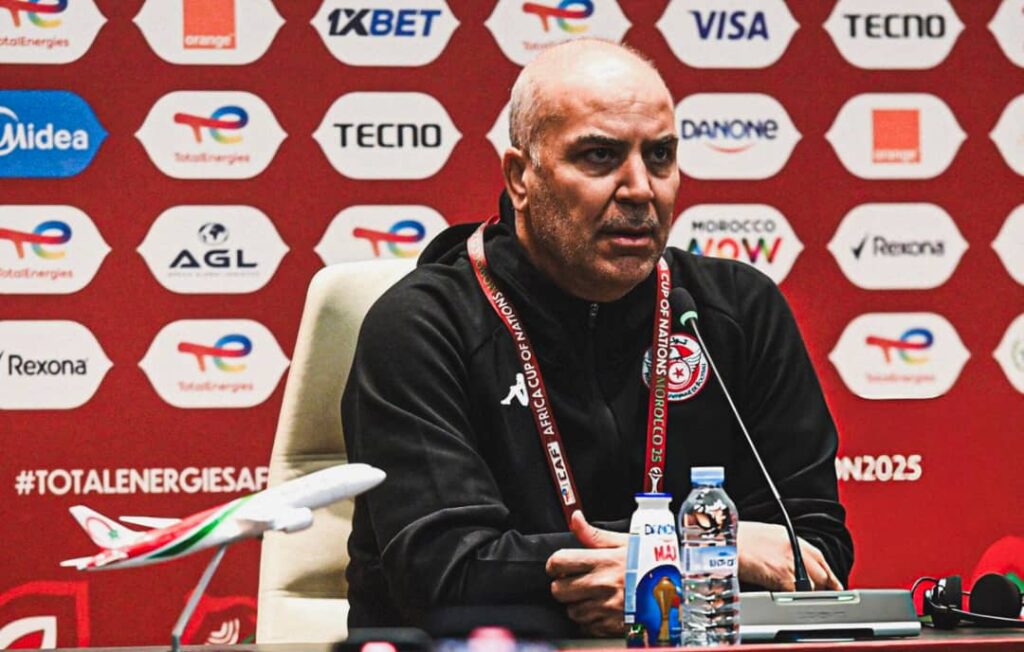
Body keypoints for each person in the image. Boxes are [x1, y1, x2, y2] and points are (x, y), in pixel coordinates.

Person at [341, 39, 852, 636]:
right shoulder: (424, 326)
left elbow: (812, 551)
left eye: (659, 156)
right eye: (600, 156)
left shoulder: (737, 311)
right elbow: (445, 575)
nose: (640, 189)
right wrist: (676, 563)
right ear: (520, 177)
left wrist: (665, 580)